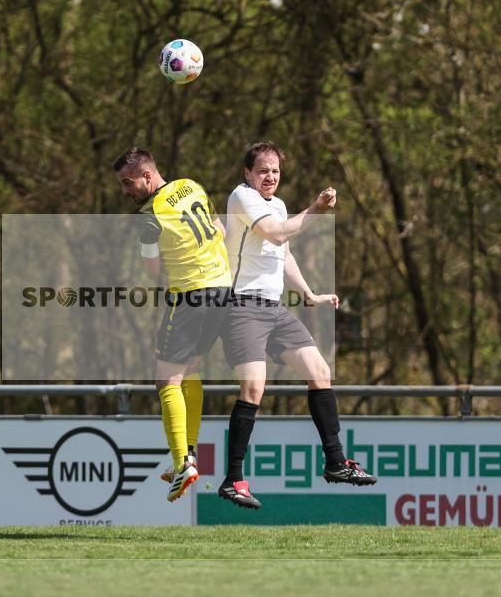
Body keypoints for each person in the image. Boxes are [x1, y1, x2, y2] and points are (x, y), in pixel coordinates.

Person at [218, 141, 377, 510]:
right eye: (262, 170)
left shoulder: (278, 205)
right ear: (247, 173)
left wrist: (309, 294)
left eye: (274, 170)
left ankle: (336, 463)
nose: (270, 176)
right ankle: (233, 480)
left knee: (320, 371)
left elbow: (283, 251)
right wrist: (316, 210)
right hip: (242, 307)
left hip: (273, 310)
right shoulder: (242, 198)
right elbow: (276, 234)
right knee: (254, 388)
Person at [113, 147, 232, 502]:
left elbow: (152, 274)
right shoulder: (192, 187)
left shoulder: (150, 216)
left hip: (191, 295)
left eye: (128, 182)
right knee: (190, 372)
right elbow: (221, 232)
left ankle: (182, 464)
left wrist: (166, 258)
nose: (126, 190)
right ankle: (188, 452)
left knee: (166, 380)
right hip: (223, 289)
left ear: (147, 176)